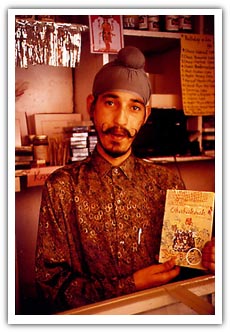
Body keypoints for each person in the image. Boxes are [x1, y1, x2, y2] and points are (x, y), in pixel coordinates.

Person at [35, 46, 215, 313]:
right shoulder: (63, 187)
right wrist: (131, 284)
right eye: (110, 102)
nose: (120, 120)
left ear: (146, 115)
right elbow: (51, 286)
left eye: (134, 107)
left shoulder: (166, 183)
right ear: (91, 106)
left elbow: (186, 271)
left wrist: (209, 259)